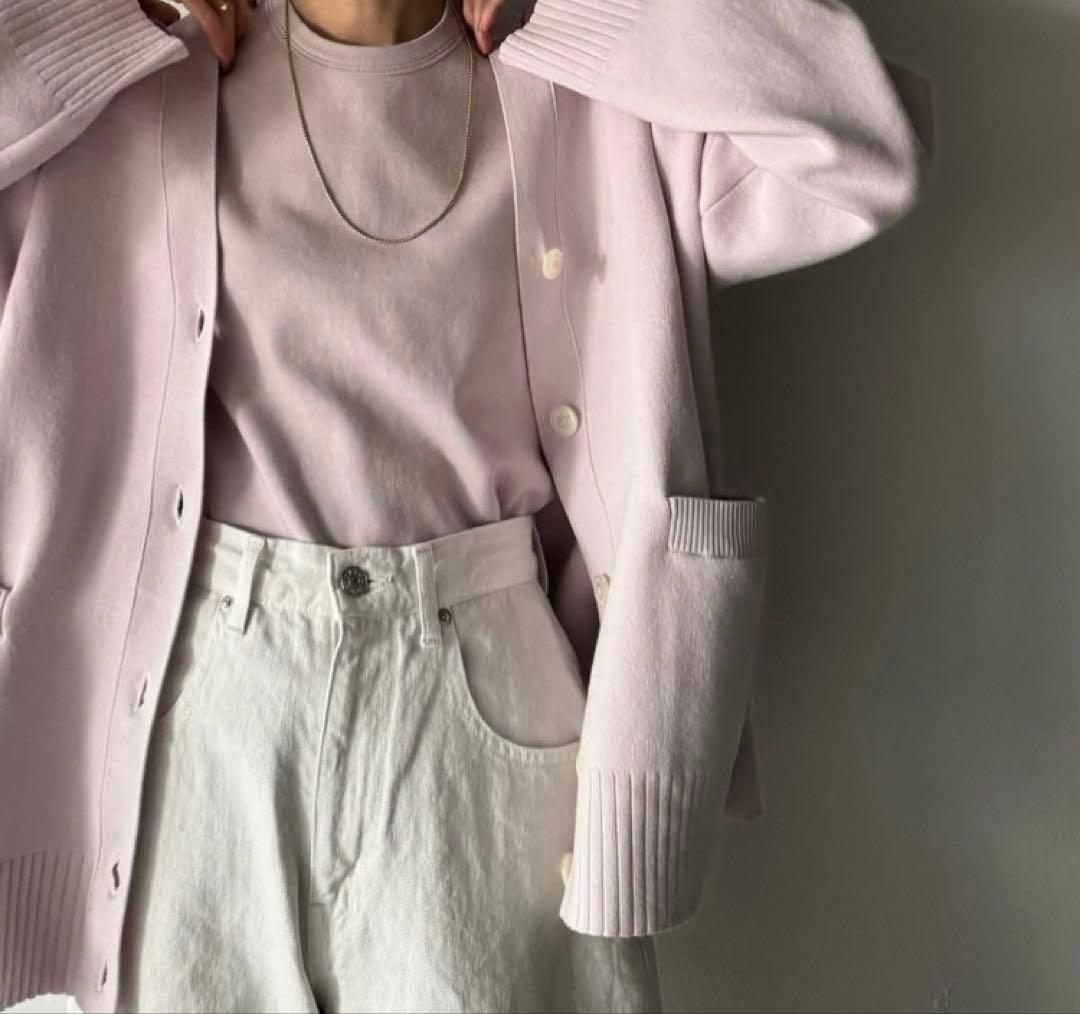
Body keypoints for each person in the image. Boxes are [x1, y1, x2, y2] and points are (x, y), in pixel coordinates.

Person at [0, 1, 935, 1011]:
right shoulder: (142, 75)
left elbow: (864, 141)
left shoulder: (590, 87)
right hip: (200, 706)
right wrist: (119, 13)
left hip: (481, 710)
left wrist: (575, 4)